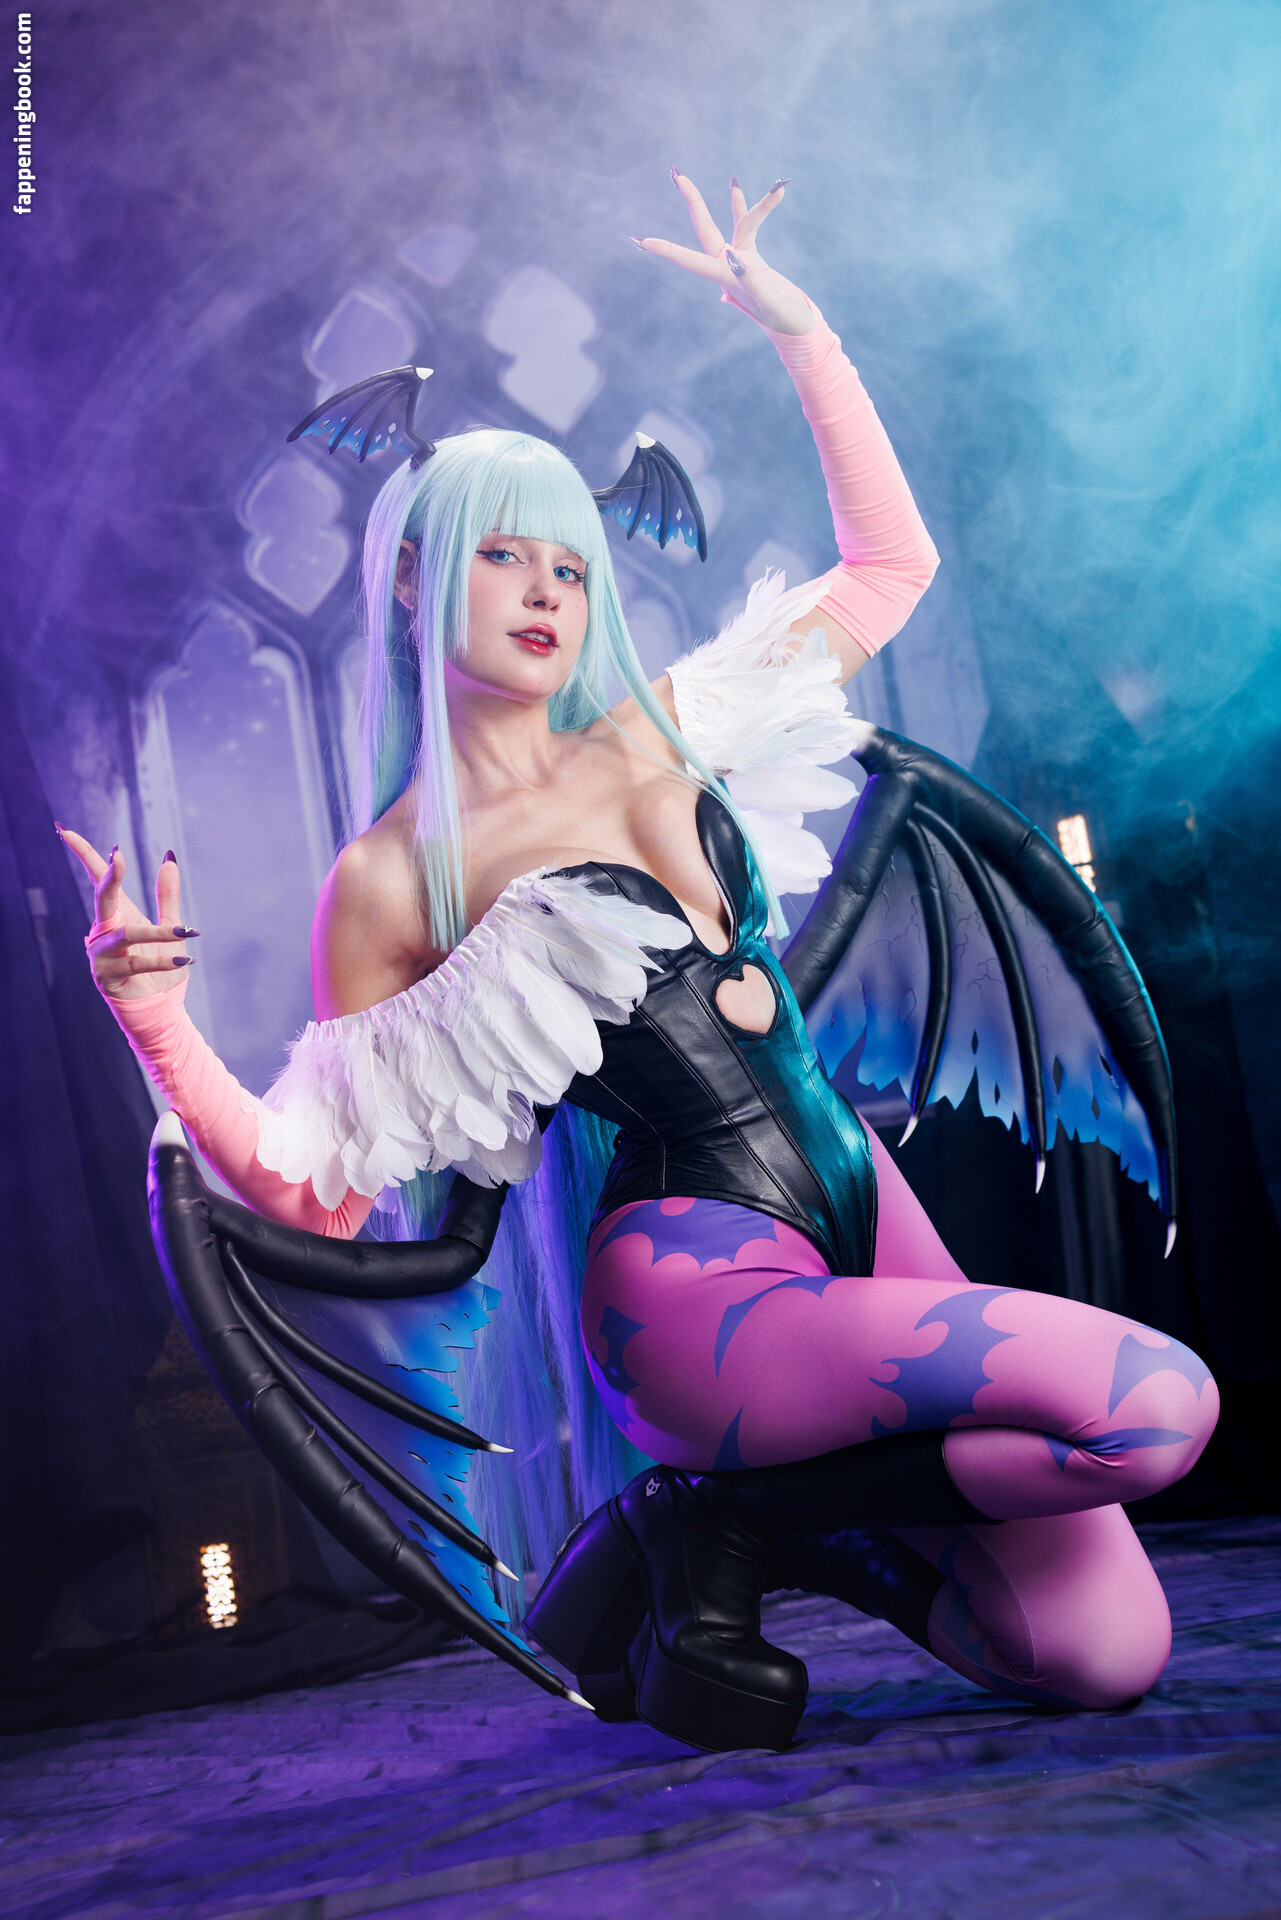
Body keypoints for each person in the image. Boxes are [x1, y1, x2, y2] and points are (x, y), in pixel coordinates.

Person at [64, 172, 1217, 1749]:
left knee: (1095, 1648)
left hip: (864, 1207)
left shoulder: (664, 729)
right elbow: (316, 1191)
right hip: (696, 1291)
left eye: (566, 563)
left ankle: (754, 1525)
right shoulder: (392, 878)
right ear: (410, 576)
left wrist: (799, 335)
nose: (546, 590)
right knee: (1153, 1405)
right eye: (502, 557)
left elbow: (888, 569)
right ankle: (721, 1507)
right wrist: (156, 1023)